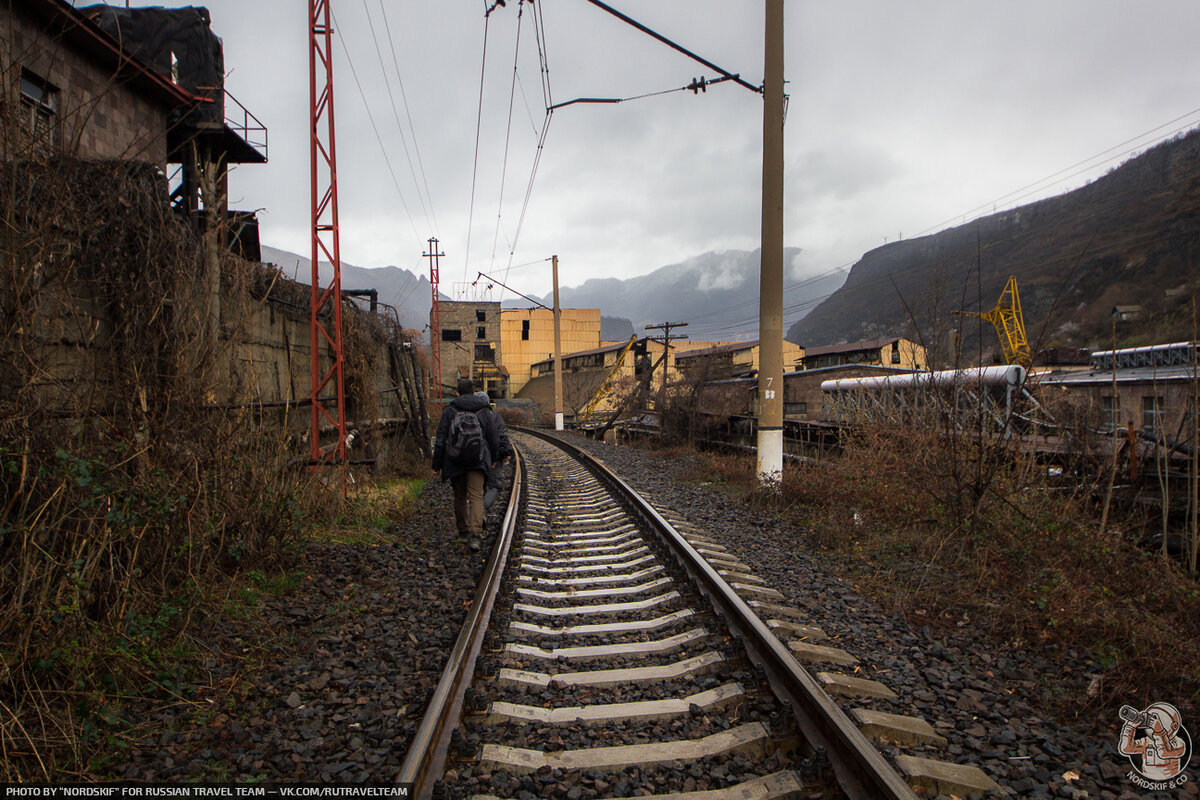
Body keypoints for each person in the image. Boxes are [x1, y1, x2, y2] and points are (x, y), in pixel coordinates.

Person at [432, 378, 509, 551]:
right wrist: (493, 459)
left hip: (454, 460)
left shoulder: (450, 410)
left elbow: (441, 439)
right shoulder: (484, 410)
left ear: (457, 393)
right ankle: (476, 536)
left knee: (459, 497)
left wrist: (436, 464)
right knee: (475, 496)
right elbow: (493, 438)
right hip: (478, 460)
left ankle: (463, 533)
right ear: (474, 393)